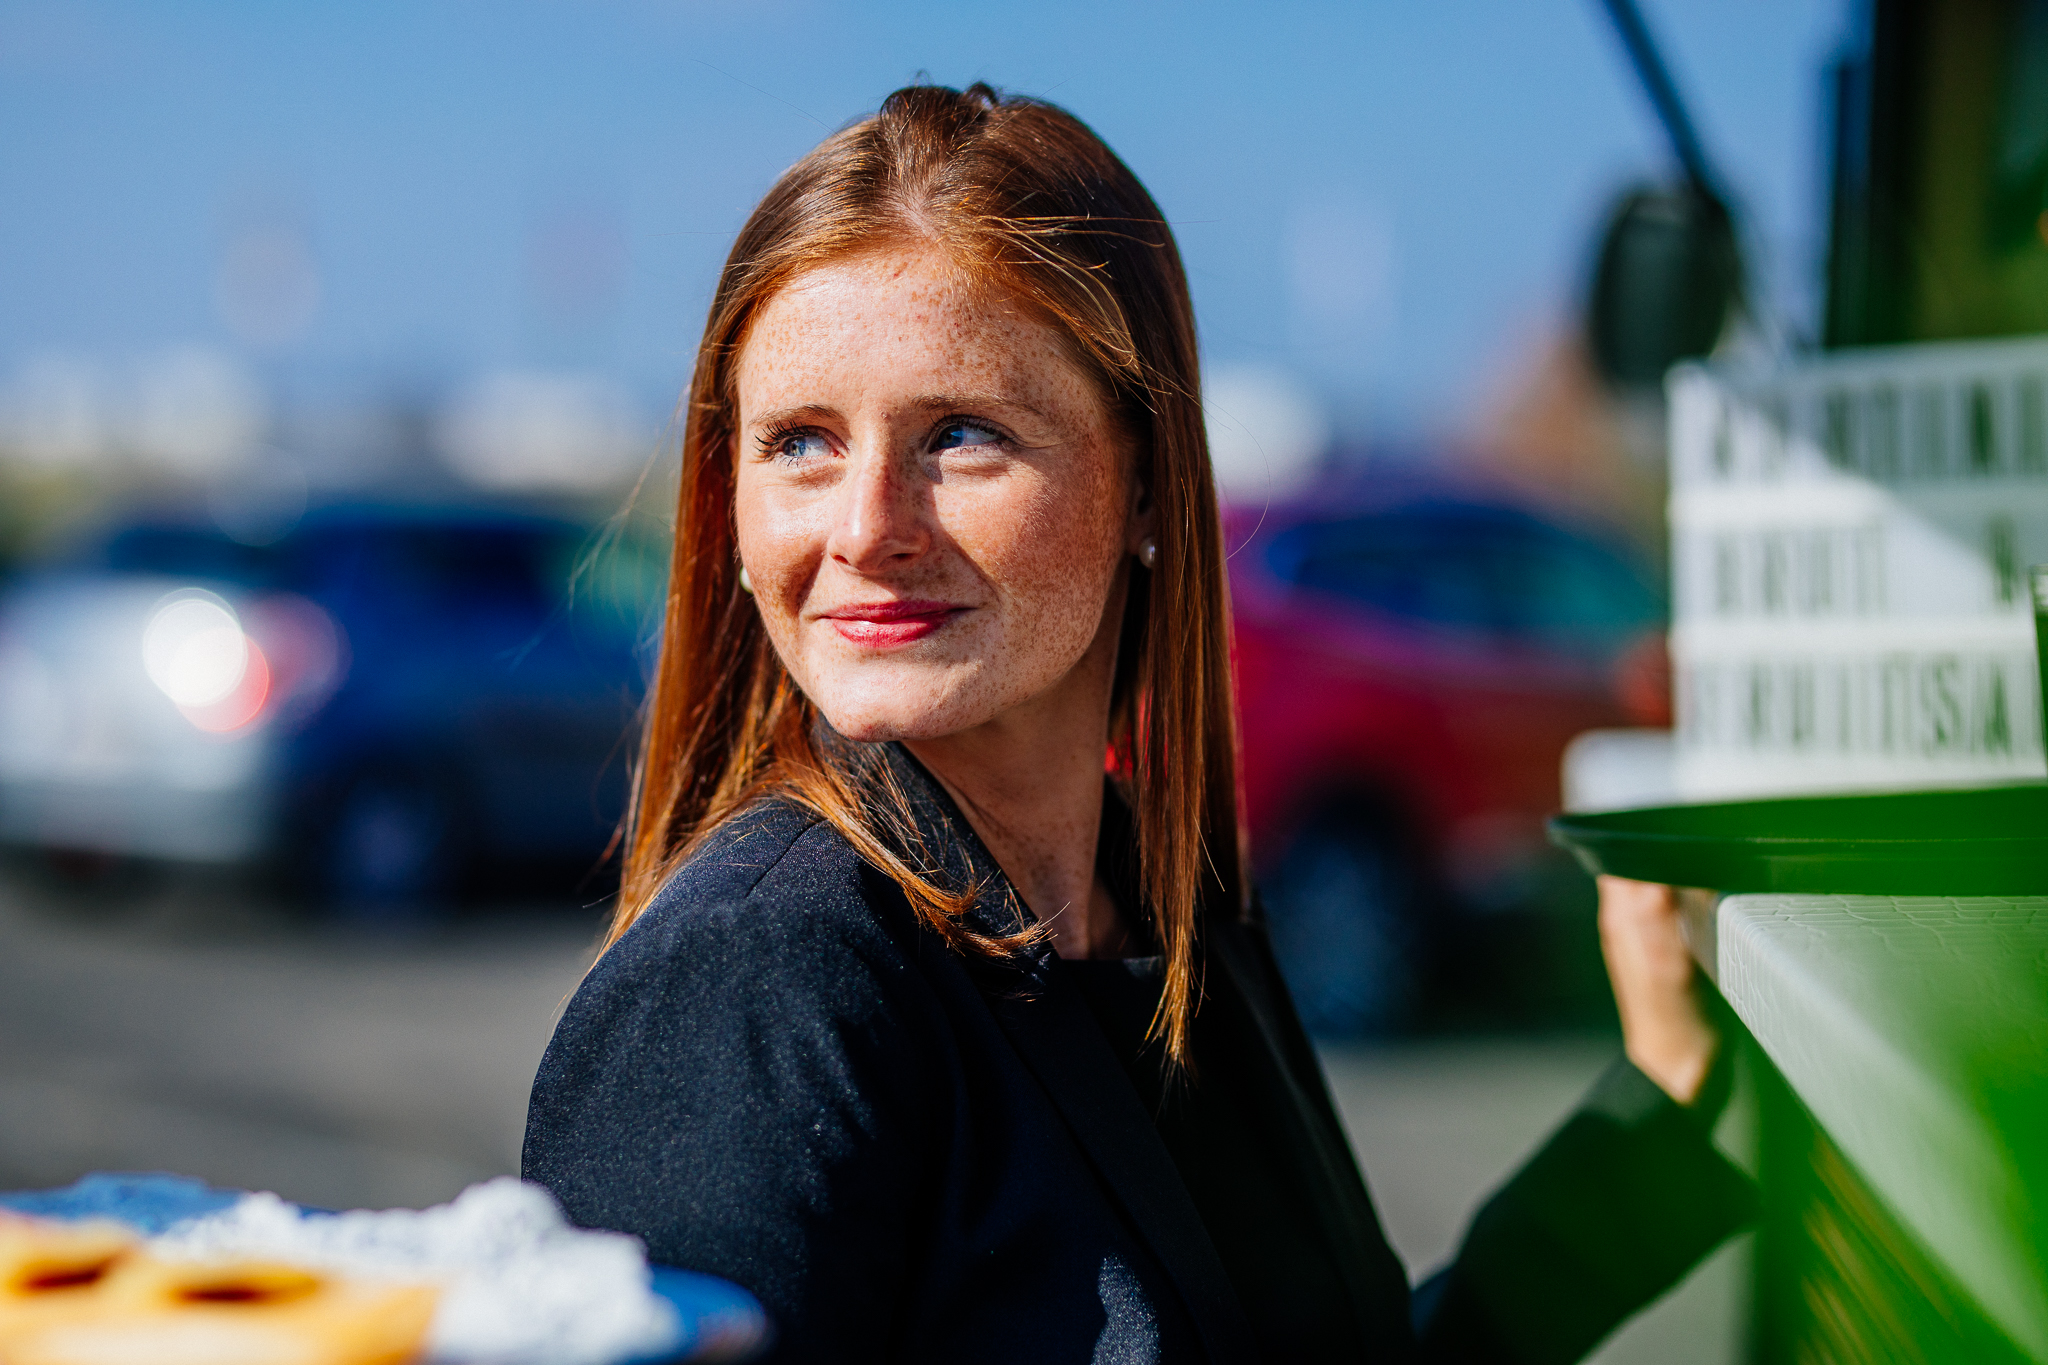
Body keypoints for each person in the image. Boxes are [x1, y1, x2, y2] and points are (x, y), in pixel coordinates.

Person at [523, 83, 1753, 1363]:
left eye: (960, 435)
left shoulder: (1171, 912)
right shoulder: (756, 986)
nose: (866, 526)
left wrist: (1658, 1121)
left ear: (1151, 485)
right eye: (798, 443)